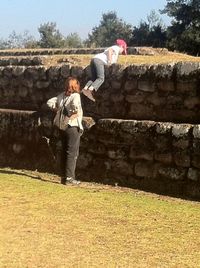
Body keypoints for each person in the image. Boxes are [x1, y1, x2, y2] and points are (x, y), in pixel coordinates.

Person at [47, 77, 83, 185]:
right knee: (72, 152)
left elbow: (49, 102)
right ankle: (69, 178)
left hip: (62, 126)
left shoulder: (61, 96)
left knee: (64, 151)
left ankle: (64, 177)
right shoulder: (75, 96)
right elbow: (75, 107)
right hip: (72, 126)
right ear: (76, 86)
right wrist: (73, 113)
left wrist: (57, 109)